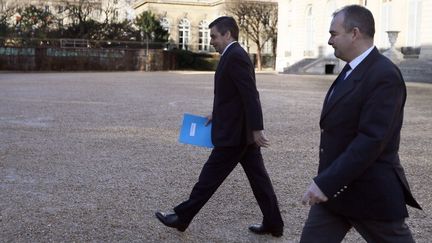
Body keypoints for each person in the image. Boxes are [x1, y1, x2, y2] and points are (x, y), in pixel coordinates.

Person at [300, 5, 422, 243]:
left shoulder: (384, 75)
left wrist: (326, 183)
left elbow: (371, 140)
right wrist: (329, 182)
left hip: (370, 192)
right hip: (335, 193)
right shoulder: (352, 69)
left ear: (354, 33)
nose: (330, 40)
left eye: (334, 33)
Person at [155, 16, 284, 237]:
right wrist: (217, 113)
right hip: (240, 133)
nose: (211, 40)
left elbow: (250, 95)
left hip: (235, 136)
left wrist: (257, 129)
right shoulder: (231, 55)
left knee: (209, 178)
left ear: (227, 34)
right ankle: (274, 223)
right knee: (259, 180)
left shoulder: (235, 56)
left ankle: (182, 217)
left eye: (214, 36)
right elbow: (234, 95)